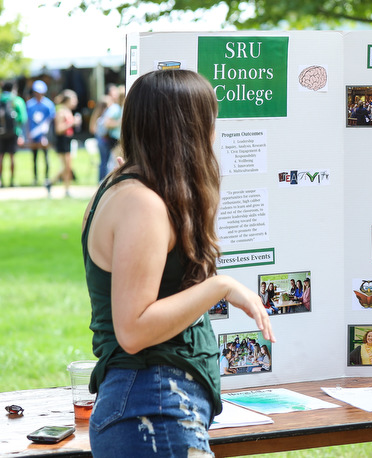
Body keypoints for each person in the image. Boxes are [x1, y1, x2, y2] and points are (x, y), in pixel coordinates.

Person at [83, 69, 275, 456]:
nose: (214, 134)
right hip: (153, 407)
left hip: (155, 405)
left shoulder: (136, 190)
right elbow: (133, 330)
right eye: (210, 121)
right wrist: (220, 287)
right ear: (188, 129)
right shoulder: (142, 203)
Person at [50, 89, 79, 197]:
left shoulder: (67, 111)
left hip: (68, 139)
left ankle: (52, 183)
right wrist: (72, 123)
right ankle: (66, 188)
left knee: (66, 166)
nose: (76, 101)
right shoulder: (61, 111)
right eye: (74, 99)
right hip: (62, 140)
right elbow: (59, 129)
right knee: (66, 166)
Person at [26, 80, 55, 186]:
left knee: (46, 157)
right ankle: (35, 178)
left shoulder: (48, 105)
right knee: (34, 157)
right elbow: (28, 121)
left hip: (44, 135)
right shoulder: (30, 104)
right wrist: (29, 134)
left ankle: (46, 177)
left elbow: (50, 122)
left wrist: (45, 135)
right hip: (34, 135)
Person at [0, 81, 27, 188]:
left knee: (0, 157)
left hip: (0, 133)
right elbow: (22, 118)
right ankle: (12, 180)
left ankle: (1, 180)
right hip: (13, 132)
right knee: (12, 157)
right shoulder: (17, 100)